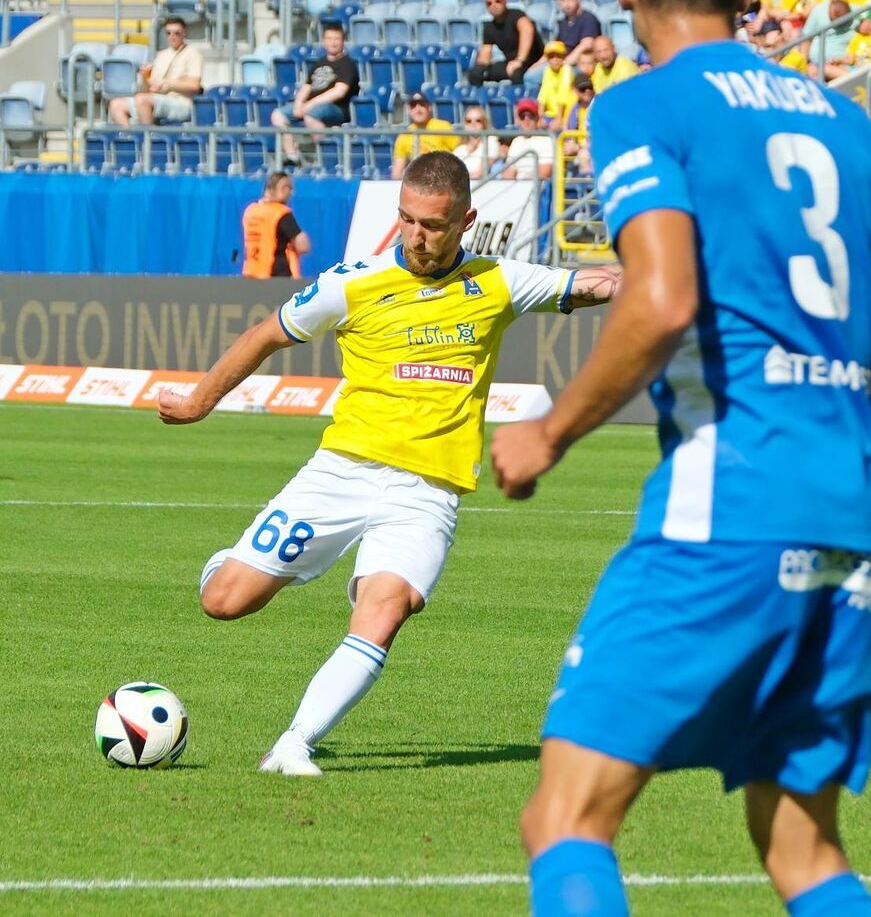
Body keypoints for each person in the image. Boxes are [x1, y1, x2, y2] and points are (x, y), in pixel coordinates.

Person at [490, 0, 871, 914]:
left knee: (566, 819)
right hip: (850, 518)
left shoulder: (645, 104)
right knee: (803, 849)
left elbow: (663, 298)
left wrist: (551, 431)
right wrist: (857, 443)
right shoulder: (842, 121)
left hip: (729, 507)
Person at [158, 152, 618, 777]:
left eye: (432, 224)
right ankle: (236, 563)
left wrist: (658, 272)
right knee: (224, 600)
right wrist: (195, 403)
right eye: (407, 219)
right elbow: (265, 333)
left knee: (386, 606)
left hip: (427, 493)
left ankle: (295, 743)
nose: (416, 235)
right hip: (341, 473)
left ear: (466, 220)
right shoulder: (353, 282)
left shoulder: (499, 281)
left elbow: (591, 285)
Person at [271, 22, 358, 167]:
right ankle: (293, 156)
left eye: (336, 39)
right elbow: (306, 87)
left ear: (343, 41)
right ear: (323, 41)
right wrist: (299, 105)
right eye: (329, 39)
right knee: (278, 115)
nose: (333, 42)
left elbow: (339, 91)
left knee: (311, 115)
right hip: (311, 105)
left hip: (336, 108)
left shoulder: (347, 64)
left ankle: (324, 157)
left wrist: (308, 105)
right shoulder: (319, 62)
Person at [107, 17, 203, 127]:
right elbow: (149, 88)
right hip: (156, 98)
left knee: (142, 100)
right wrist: (145, 76)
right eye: (168, 33)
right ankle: (131, 137)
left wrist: (168, 84)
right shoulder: (161, 55)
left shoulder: (192, 53)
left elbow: (194, 85)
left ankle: (148, 139)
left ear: (184, 33)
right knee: (116, 105)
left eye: (177, 33)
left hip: (181, 102)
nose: (172, 36)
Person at [466, 0, 543, 86]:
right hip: (510, 63)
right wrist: (480, 68)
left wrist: (519, 60)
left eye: (498, 1)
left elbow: (527, 30)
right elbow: (485, 53)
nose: (494, 5)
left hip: (532, 62)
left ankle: (520, 100)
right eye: (489, 3)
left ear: (505, 1)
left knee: (516, 73)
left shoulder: (517, 15)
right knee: (475, 73)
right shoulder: (489, 27)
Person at [241, 171, 310, 279]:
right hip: (278, 274)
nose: (290, 192)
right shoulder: (280, 213)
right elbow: (303, 246)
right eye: (288, 187)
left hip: (253, 272)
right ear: (278, 188)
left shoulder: (251, 211)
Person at [391, 92, 459, 180]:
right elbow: (397, 171)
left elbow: (460, 153)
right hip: (418, 181)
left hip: (443, 178)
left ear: (429, 108)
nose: (418, 109)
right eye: (413, 105)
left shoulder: (444, 127)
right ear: (408, 110)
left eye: (422, 104)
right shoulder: (404, 135)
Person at [801, 0, 854, 81]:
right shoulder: (819, 11)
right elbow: (806, 39)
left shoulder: (857, 11)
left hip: (842, 63)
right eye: (832, 20)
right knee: (812, 72)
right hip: (818, 64)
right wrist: (804, 63)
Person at [501, 98, 554, 180]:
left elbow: (544, 173)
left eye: (531, 116)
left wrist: (522, 178)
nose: (526, 119)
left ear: (537, 118)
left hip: (537, 188)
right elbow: (509, 172)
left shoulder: (547, 140)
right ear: (518, 120)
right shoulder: (516, 141)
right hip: (516, 186)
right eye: (522, 116)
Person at [556, 0, 602, 65]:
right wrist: (538, 64)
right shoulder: (563, 22)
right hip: (563, 63)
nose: (566, 4)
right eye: (562, 0)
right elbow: (556, 46)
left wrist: (565, 63)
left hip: (582, 66)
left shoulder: (588, 19)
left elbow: (586, 45)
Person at [453, 105, 500, 180]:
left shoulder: (491, 142)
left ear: (484, 124)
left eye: (478, 120)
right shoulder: (459, 149)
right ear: (464, 125)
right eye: (469, 121)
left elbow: (480, 173)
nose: (473, 124)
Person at [538, 40, 577, 126]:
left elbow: (563, 93)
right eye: (551, 57)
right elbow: (543, 93)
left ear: (563, 57)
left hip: (567, 113)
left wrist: (558, 119)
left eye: (558, 56)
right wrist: (540, 117)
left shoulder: (567, 69)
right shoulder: (547, 71)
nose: (555, 59)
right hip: (551, 114)